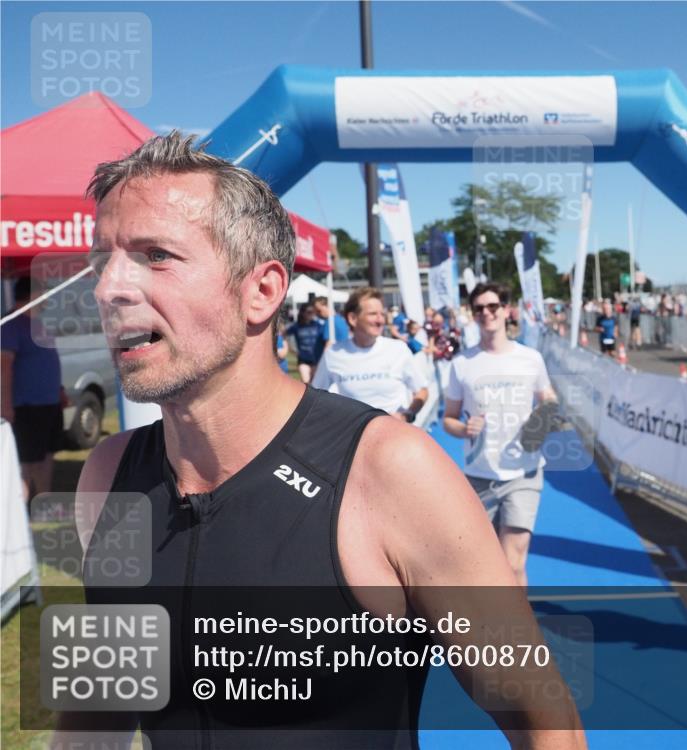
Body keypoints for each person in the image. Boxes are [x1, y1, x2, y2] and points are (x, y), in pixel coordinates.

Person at [56, 132, 583, 749]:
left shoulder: (389, 473)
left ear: (262, 291)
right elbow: (97, 712)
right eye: (101, 262)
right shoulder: (107, 474)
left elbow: (548, 726)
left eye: (156, 255)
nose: (108, 288)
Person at [443, 283, 558, 588]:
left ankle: (519, 633)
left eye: (493, 306)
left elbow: (549, 399)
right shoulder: (462, 364)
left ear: (506, 310)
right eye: (479, 308)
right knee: (485, 565)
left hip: (524, 473)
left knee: (513, 561)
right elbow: (448, 420)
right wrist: (464, 429)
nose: (486, 313)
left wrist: (540, 421)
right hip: (479, 476)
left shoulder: (530, 358)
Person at [312, 287, 428, 422]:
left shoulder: (398, 349)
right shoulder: (334, 353)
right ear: (353, 318)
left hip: (393, 436)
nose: (380, 320)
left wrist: (407, 415)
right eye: (373, 314)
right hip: (352, 437)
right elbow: (315, 398)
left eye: (382, 314)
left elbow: (422, 391)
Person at [1, 276, 66, 502]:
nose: (46, 298)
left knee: (47, 455)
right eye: (42, 292)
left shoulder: (37, 323)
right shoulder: (10, 325)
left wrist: (59, 390)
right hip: (27, 406)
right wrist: (6, 406)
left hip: (49, 403)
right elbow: (4, 368)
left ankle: (45, 502)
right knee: (28, 461)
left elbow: (46, 361)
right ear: (31, 295)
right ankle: (22, 512)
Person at [284, 301, 327, 383]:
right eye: (309, 312)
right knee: (306, 381)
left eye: (313, 312)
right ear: (303, 313)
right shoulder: (296, 326)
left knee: (315, 383)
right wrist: (289, 348)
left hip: (316, 359)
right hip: (303, 359)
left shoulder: (318, 325)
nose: (311, 314)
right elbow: (283, 334)